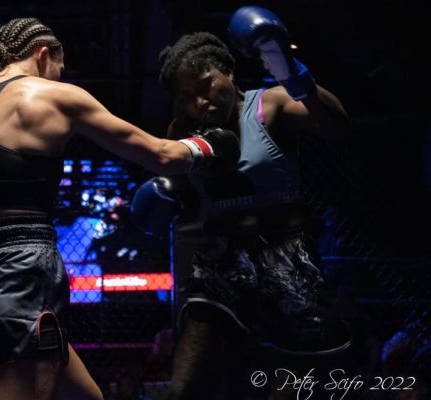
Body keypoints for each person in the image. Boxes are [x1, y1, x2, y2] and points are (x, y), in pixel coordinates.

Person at [0, 17, 236, 400]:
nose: (58, 79)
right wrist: (209, 145)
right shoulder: (54, 96)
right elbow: (161, 155)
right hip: (21, 269)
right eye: (58, 71)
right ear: (44, 55)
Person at [132, 6, 353, 400]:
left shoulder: (271, 104)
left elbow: (336, 126)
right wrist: (168, 197)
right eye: (186, 97)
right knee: (186, 388)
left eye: (205, 85)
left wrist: (292, 73)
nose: (199, 101)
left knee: (294, 387)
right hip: (221, 260)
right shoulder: (182, 130)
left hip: (285, 254)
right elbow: (186, 194)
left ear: (228, 72)